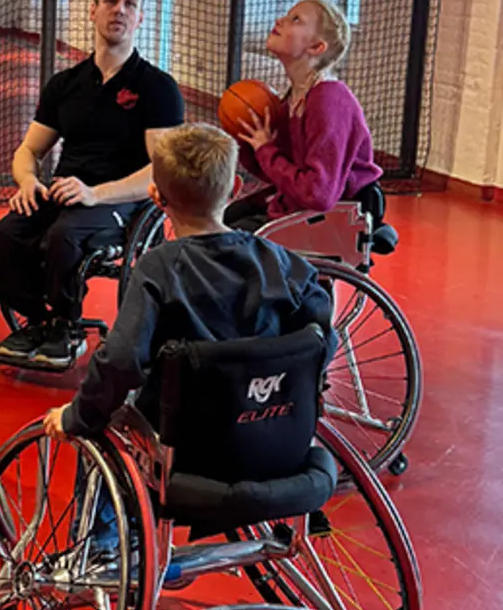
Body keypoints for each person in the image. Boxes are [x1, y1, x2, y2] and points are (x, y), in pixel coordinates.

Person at [42, 122, 335, 442]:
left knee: (96, 429)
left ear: (155, 195)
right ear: (235, 188)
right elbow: (321, 338)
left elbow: (122, 359)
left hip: (184, 437)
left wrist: (77, 416)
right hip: (273, 432)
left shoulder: (158, 268)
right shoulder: (281, 261)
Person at [0, 0, 185, 366]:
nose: (120, 10)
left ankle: (66, 325)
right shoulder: (65, 84)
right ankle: (35, 322)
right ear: (93, 11)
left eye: (130, 4)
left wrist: (96, 193)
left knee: (64, 235)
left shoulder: (157, 87)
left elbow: (159, 171)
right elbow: (29, 149)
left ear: (141, 18)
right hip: (67, 191)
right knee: (9, 231)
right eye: (111, 1)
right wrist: (28, 180)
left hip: (121, 201)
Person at [226, 0, 383, 231]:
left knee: (226, 240)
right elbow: (278, 174)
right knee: (226, 218)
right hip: (302, 205)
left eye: (295, 19)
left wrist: (265, 150)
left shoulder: (329, 99)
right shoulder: (290, 100)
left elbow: (318, 194)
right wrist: (249, 140)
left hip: (337, 216)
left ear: (316, 47)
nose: (280, 20)